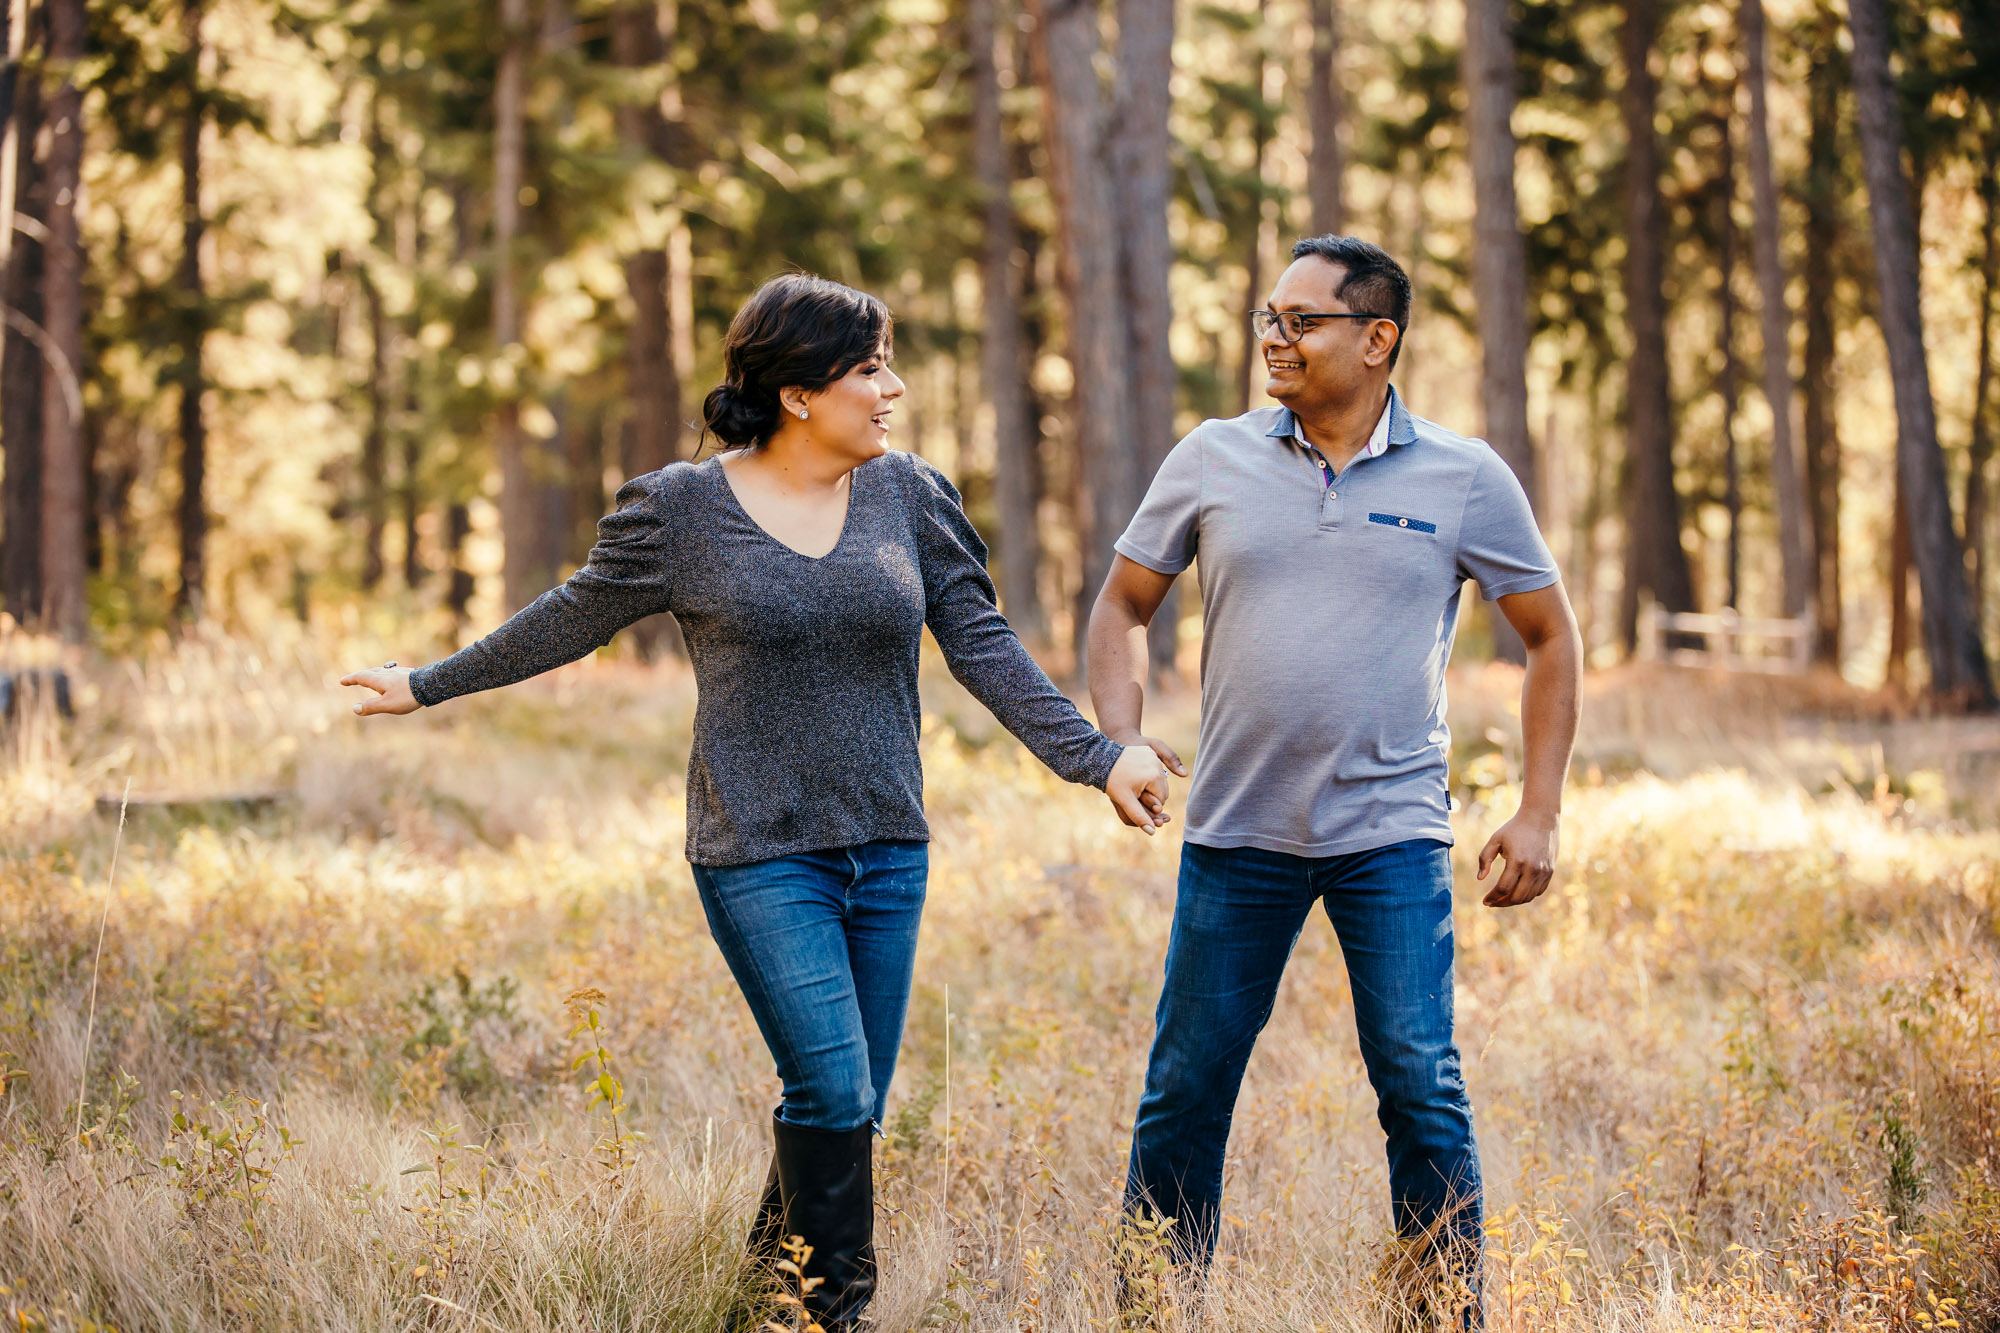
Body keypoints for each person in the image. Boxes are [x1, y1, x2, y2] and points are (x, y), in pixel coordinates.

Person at [342, 273, 1174, 1331]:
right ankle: (836, 1314)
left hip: (886, 844)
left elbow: (980, 643)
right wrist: (426, 683)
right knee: (830, 1092)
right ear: (798, 392)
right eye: (872, 369)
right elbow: (570, 617)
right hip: (758, 849)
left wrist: (1097, 757)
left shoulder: (909, 495)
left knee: (849, 1109)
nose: (895, 389)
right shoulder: (679, 510)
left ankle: (759, 1306)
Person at [1087, 236, 1582, 1323]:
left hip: (1391, 832)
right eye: (1269, 315)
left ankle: (1443, 1314)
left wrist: (1537, 809)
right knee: (1184, 1091)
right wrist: (1117, 736)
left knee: (1418, 1080)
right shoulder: (1213, 455)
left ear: (1375, 339)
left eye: (1301, 319)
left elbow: (1550, 637)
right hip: (1235, 831)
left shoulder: (1461, 475)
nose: (1274, 335)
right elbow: (1123, 604)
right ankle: (1150, 1310)